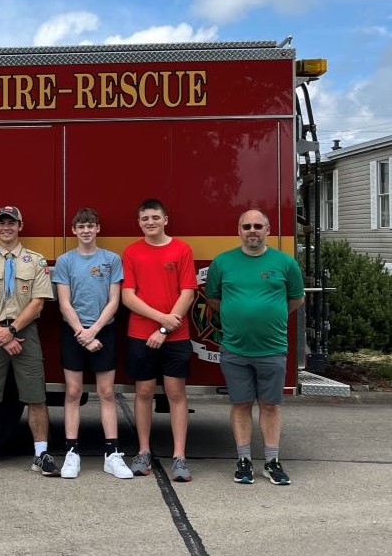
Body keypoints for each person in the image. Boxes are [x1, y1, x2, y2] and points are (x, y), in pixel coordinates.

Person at [205, 209, 304, 486]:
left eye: (257, 226)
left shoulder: (285, 263)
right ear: (239, 230)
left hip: (272, 348)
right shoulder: (223, 263)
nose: (252, 230)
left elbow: (295, 299)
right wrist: (239, 314)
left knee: (270, 405)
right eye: (246, 226)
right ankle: (244, 461)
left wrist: (270, 314)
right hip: (235, 349)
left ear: (267, 230)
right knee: (241, 404)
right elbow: (213, 298)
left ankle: (271, 462)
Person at [0, 205, 58, 476]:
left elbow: (38, 303)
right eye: (1, 223)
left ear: (20, 226)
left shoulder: (36, 261)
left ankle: (41, 454)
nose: (6, 227)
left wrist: (13, 331)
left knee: (36, 396)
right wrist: (1, 334)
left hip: (24, 332)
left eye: (12, 223)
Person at [53, 207, 133, 480]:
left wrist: (95, 330)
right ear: (73, 231)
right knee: (73, 392)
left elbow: (115, 301)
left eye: (90, 225)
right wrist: (81, 333)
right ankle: (72, 453)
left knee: (107, 392)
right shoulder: (65, 261)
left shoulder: (112, 260)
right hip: (74, 333)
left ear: (98, 229)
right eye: (80, 226)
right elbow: (64, 302)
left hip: (104, 331)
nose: (86, 230)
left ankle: (112, 454)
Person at [121, 198, 197, 482]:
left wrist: (165, 328)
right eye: (145, 219)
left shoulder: (182, 249)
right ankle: (143, 452)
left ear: (166, 219)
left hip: (175, 336)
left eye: (155, 217)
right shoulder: (131, 252)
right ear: (139, 222)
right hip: (141, 335)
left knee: (176, 394)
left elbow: (187, 292)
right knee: (143, 393)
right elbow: (128, 296)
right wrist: (161, 319)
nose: (150, 222)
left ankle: (179, 456)